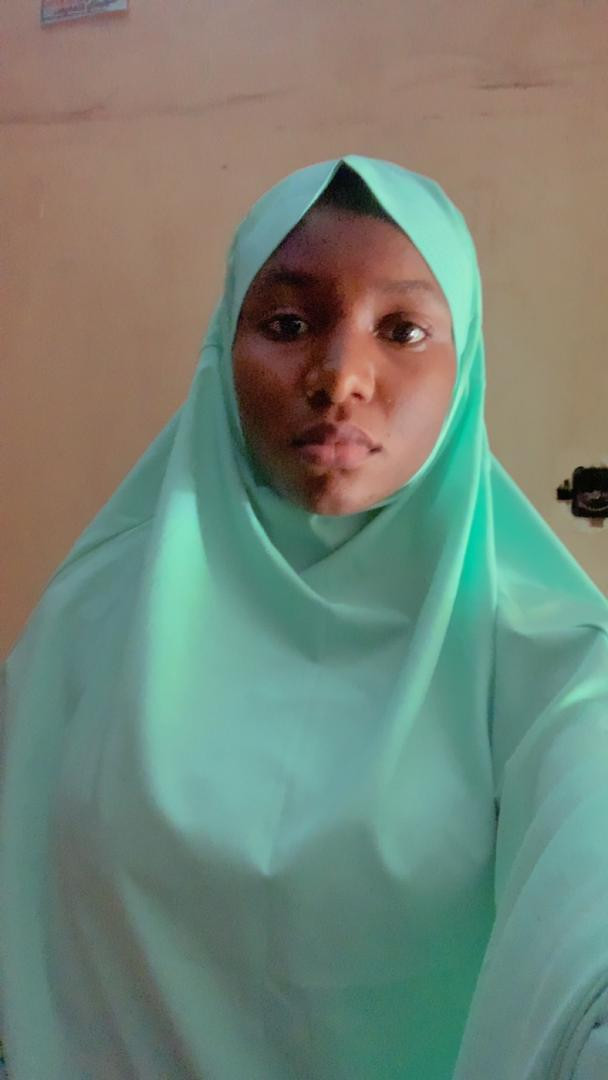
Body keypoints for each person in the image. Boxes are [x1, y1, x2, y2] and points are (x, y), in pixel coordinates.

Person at [1, 155, 607, 1080]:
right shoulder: (92, 621)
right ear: (224, 346)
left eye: (403, 330)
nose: (340, 377)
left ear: (467, 367)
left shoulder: (550, 660)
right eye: (288, 324)